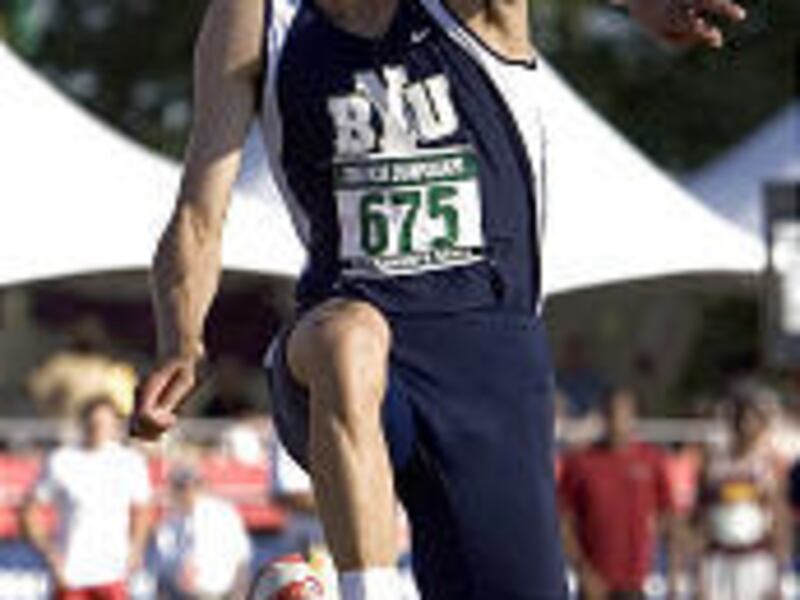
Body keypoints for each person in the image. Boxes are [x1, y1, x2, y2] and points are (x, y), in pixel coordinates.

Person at [130, 0, 747, 597]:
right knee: (350, 336)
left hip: (488, 363)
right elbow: (197, 215)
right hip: (336, 354)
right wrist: (179, 342)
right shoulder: (257, 16)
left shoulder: (467, 12)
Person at [21, 396, 153, 600]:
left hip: (114, 571)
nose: (98, 429)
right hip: (71, 572)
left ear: (115, 426)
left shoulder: (130, 462)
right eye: (93, 423)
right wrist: (49, 553)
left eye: (104, 424)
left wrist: (136, 548)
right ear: (83, 424)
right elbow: (30, 510)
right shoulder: (62, 460)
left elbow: (143, 509)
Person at [558, 388, 679, 599]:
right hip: (595, 586)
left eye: (625, 414)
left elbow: (670, 519)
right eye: (612, 413)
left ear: (635, 417)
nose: (618, 421)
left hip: (636, 584)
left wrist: (673, 575)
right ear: (603, 416)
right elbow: (563, 522)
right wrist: (584, 572)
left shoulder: (652, 460)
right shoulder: (580, 462)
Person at [694, 380, 791, 600]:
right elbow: (700, 520)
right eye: (740, 420)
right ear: (732, 423)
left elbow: (780, 523)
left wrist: (779, 579)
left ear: (760, 425)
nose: (745, 426)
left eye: (751, 420)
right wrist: (699, 575)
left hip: (756, 561)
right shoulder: (713, 466)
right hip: (718, 561)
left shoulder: (768, 466)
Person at [154, 465, 252, 600]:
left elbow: (241, 557)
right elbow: (163, 567)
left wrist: (240, 593)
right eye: (180, 487)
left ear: (201, 485)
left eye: (192, 486)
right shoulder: (169, 522)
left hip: (220, 593)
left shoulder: (223, 513)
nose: (187, 492)